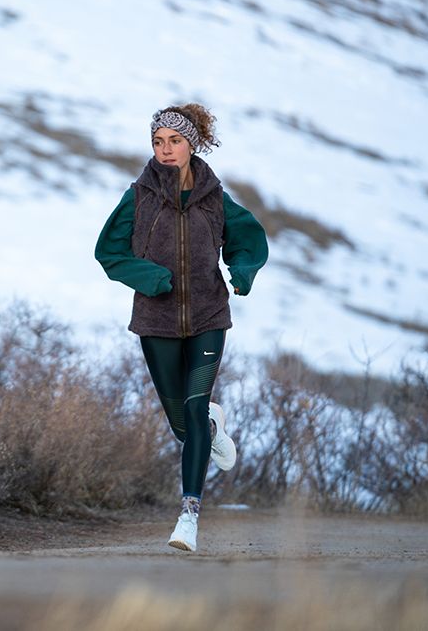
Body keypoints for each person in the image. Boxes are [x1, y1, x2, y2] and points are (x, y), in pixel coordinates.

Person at [94, 104, 268, 553]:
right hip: (156, 321)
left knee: (192, 409)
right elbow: (108, 254)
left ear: (192, 144)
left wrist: (242, 270)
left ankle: (188, 516)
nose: (166, 149)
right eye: (158, 141)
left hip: (210, 317)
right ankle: (212, 424)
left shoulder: (214, 197)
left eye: (174, 140)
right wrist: (149, 277)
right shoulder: (138, 197)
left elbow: (248, 238)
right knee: (183, 424)